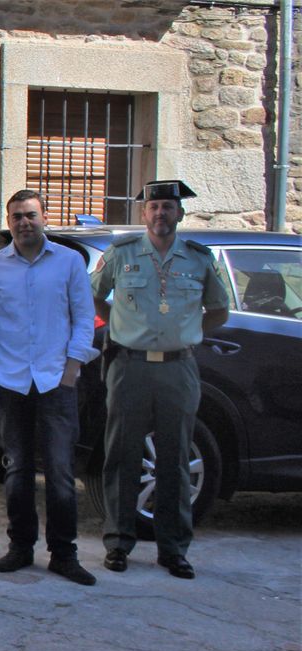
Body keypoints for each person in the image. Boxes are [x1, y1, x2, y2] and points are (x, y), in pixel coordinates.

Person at [92, 180, 229, 580]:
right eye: (153, 208)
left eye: (168, 207)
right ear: (143, 214)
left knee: (176, 459)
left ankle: (173, 549)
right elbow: (96, 296)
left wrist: (188, 329)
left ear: (179, 214)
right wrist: (121, 326)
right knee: (122, 455)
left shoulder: (198, 259)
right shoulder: (122, 255)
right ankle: (118, 543)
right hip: (129, 366)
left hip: (177, 368)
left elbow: (218, 309)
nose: (160, 214)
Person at [0, 189, 99, 586]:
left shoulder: (69, 263)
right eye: (17, 217)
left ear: (44, 217)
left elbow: (84, 320)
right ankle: (20, 547)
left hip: (55, 382)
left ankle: (64, 553)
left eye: (31, 215)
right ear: (9, 222)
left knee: (61, 473)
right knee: (17, 470)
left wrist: (71, 371)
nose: (24, 222)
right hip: (11, 383)